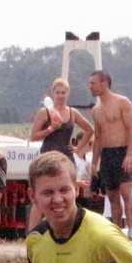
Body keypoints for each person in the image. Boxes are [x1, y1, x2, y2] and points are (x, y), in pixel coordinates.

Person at [29, 78, 94, 229]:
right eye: (57, 92)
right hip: (48, 155)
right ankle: (32, 234)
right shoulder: (45, 112)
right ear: (53, 94)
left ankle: (66, 230)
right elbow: (33, 136)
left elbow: (90, 129)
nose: (60, 95)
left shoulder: (72, 112)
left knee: (68, 195)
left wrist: (78, 148)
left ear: (68, 94)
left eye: (63, 92)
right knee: (41, 198)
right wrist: (51, 128)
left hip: (66, 156)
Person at [89, 70, 132, 233]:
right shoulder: (96, 110)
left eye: (93, 83)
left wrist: (129, 154)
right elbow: (98, 137)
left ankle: (131, 230)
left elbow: (131, 129)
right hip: (107, 154)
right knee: (112, 197)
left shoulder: (122, 102)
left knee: (126, 193)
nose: (91, 87)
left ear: (104, 83)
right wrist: (94, 162)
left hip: (123, 151)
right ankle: (117, 232)